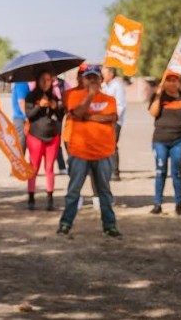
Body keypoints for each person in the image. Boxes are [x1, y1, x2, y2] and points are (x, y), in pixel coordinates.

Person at [57, 65, 121, 238]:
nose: (92, 80)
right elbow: (77, 113)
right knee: (73, 191)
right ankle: (65, 224)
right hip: (80, 152)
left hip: (103, 152)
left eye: (95, 77)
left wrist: (89, 117)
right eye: (88, 77)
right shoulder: (74, 96)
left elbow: (111, 117)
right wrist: (90, 96)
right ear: (83, 80)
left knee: (104, 191)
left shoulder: (110, 99)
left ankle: (110, 226)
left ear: (101, 80)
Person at [148, 71, 181, 216]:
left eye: (175, 80)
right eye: (168, 80)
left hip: (179, 141)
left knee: (177, 173)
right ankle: (157, 204)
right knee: (160, 171)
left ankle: (178, 205)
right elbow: (153, 113)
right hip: (160, 140)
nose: (172, 83)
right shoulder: (158, 96)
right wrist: (158, 95)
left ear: (179, 82)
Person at [24, 71, 64, 211]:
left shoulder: (54, 96)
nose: (45, 83)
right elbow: (29, 115)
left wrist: (55, 107)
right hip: (35, 135)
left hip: (52, 135)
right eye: (43, 80)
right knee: (33, 168)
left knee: (49, 167)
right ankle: (31, 197)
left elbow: (60, 116)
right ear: (37, 81)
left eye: (48, 80)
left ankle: (50, 198)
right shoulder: (31, 96)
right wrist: (39, 106)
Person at [101, 66, 126, 181]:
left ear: (111, 74)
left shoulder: (117, 86)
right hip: (105, 120)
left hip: (114, 121)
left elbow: (120, 105)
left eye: (104, 73)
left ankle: (115, 172)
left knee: (112, 145)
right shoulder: (105, 86)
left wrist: (114, 119)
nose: (102, 76)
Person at [11, 81, 31, 155]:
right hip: (21, 119)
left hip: (20, 118)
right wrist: (27, 116)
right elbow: (21, 101)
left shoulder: (21, 83)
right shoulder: (22, 83)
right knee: (20, 149)